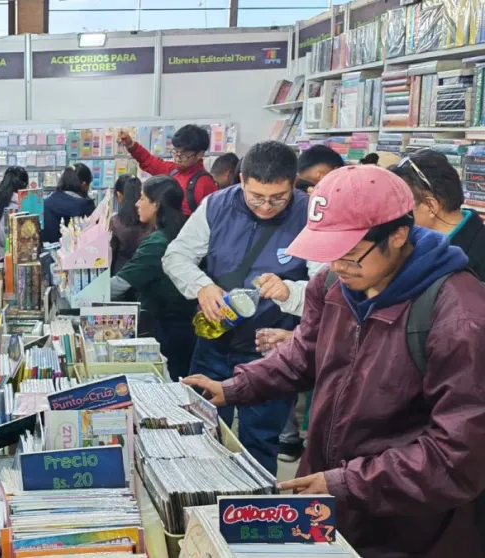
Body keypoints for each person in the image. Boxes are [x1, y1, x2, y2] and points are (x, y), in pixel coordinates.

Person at [184, 165, 485, 558]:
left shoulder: (460, 316)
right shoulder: (331, 285)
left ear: (397, 233)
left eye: (349, 252)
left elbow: (457, 455)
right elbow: (303, 355)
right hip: (330, 501)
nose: (338, 265)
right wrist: (233, 388)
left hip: (410, 528)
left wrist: (348, 483)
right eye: (328, 252)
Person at [163, 140, 322, 475]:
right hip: (214, 341)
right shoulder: (216, 205)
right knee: (201, 433)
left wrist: (288, 292)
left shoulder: (312, 216)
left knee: (260, 442)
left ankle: (253, 513)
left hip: (271, 350)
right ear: (241, 180)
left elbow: (330, 289)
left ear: (294, 184)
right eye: (256, 196)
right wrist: (202, 286)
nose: (266, 206)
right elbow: (176, 256)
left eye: (278, 197)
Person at [109, 176, 196, 381]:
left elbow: (121, 284)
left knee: (169, 380)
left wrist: (82, 298)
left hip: (166, 326)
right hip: (185, 323)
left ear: (156, 204)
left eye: (142, 198)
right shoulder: (183, 231)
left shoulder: (158, 243)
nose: (137, 204)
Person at [392, 149, 485, 279]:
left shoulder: (475, 260)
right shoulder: (411, 241)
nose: (395, 213)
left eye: (402, 205)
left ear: (431, 206)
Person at [118, 125, 218, 215]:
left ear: (200, 154)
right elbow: (149, 161)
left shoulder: (204, 183)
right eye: (176, 151)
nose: (178, 158)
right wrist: (130, 144)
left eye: (184, 154)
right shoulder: (173, 170)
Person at [42, 163, 96, 243]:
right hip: (75, 252)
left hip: (47, 251)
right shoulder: (85, 205)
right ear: (84, 184)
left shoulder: (47, 202)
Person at [109, 175, 152, 275]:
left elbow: (111, 253)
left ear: (119, 195)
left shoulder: (116, 222)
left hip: (121, 272)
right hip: (145, 272)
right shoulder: (149, 219)